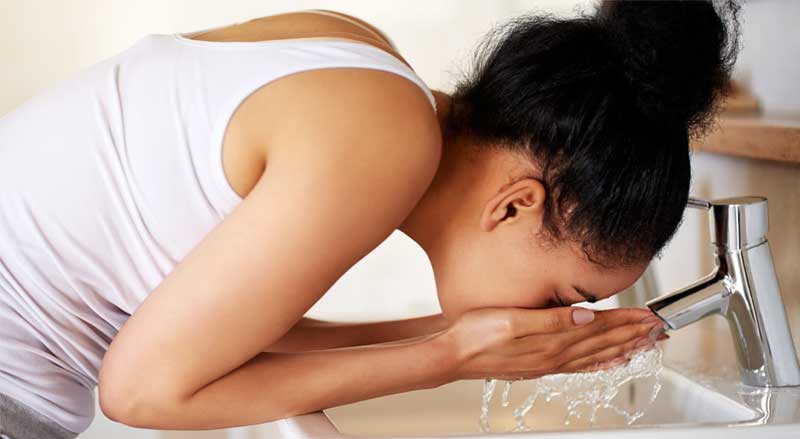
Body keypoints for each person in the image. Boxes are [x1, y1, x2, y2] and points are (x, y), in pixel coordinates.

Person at [0, 1, 739, 437]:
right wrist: (450, 357)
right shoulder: (385, 143)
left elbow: (228, 329)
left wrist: (451, 338)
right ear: (517, 203)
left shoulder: (365, 65)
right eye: (564, 297)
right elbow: (141, 390)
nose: (557, 320)